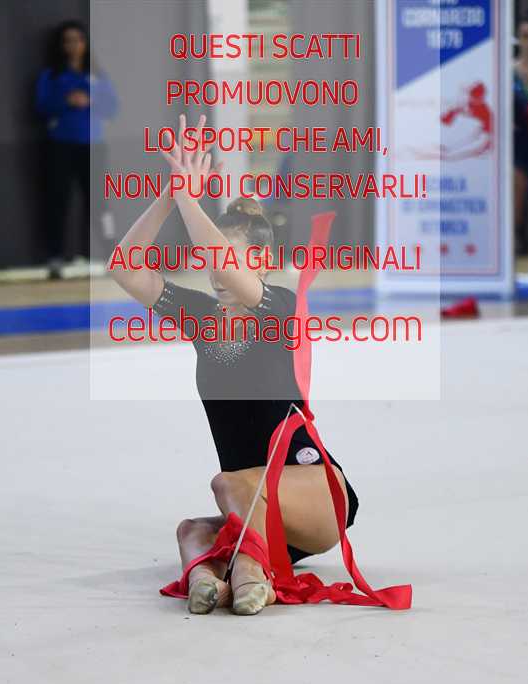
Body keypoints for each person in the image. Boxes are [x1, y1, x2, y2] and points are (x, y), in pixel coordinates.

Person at [109, 114, 358, 616]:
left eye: (231, 261)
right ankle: (209, 578)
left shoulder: (280, 307)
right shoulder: (203, 318)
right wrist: (170, 195)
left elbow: (225, 265)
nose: (216, 275)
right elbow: (125, 268)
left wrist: (190, 199)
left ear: (261, 263)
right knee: (192, 530)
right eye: (208, 263)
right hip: (254, 505)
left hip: (314, 492)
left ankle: (248, 572)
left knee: (227, 482)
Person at [36, 20, 118, 276]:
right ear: (61, 45)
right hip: (61, 146)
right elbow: (41, 106)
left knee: (100, 203)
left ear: (85, 43)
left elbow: (112, 107)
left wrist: (90, 99)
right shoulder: (52, 75)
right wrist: (66, 101)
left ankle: (111, 255)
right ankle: (55, 258)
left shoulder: (97, 75)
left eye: (78, 40)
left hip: (93, 146)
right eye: (68, 41)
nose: (73, 45)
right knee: (58, 201)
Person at [514, 10, 528, 251]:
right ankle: (515, 236)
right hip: (518, 149)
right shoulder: (508, 72)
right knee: (515, 177)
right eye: (525, 36)